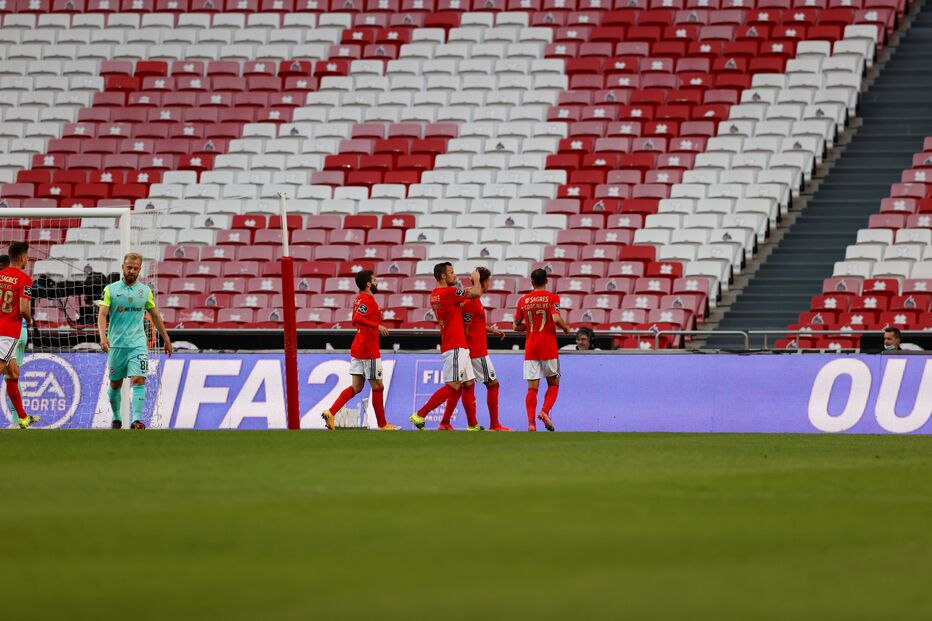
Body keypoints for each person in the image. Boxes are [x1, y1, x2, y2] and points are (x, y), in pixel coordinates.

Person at [98, 252, 173, 429]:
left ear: (140, 270)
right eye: (128, 267)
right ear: (123, 267)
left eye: (135, 268)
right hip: (116, 344)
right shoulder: (110, 290)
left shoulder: (145, 291)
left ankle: (136, 420)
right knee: (116, 383)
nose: (131, 270)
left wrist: (166, 338)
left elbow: (155, 315)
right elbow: (102, 314)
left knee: (139, 379)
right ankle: (117, 418)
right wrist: (102, 337)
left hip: (138, 344)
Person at [321, 270, 401, 431]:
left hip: (358, 347)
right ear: (368, 284)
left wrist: (377, 318)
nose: (377, 281)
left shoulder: (360, 299)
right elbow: (356, 318)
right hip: (368, 349)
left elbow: (362, 317)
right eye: (374, 279)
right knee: (378, 386)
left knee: (356, 387)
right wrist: (377, 325)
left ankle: (331, 412)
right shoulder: (367, 300)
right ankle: (383, 424)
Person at [409, 262, 484, 431]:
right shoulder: (449, 292)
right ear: (443, 276)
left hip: (456, 344)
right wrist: (477, 279)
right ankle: (420, 415)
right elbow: (477, 292)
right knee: (453, 385)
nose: (454, 275)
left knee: (469, 383)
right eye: (451, 272)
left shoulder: (434, 294)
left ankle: (472, 424)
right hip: (455, 344)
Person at [437, 267, 512, 431]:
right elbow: (465, 327)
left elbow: (474, 323)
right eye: (488, 281)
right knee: (492, 384)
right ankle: (494, 424)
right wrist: (465, 350)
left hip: (469, 350)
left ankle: (445, 422)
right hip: (476, 351)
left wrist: (491, 330)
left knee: (462, 387)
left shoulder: (471, 298)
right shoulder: (471, 300)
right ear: (484, 282)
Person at [514, 268, 570, 432]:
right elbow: (556, 318)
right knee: (553, 384)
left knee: (532, 388)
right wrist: (566, 328)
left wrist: (531, 327)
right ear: (547, 281)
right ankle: (545, 411)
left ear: (531, 282)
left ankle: (531, 424)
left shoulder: (523, 300)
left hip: (531, 348)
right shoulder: (552, 297)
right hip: (548, 347)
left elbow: (516, 326)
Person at [0, 243, 37, 429]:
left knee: (13, 374)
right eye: (27, 257)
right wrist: (30, 321)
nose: (27, 260)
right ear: (22, 258)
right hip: (7, 332)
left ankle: (22, 417)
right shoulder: (24, 279)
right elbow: (23, 309)